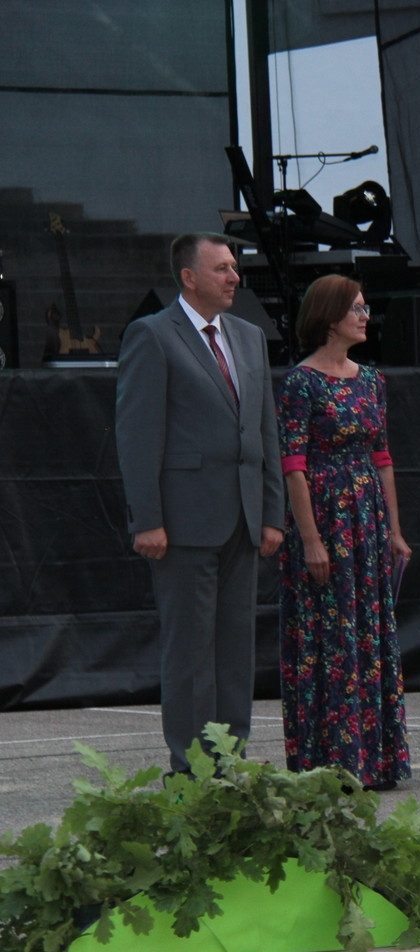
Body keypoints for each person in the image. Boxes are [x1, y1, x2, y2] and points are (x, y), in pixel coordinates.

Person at [115, 232, 284, 775]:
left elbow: (265, 432)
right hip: (184, 522)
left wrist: (272, 513)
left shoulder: (249, 336)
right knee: (190, 653)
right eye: (222, 269)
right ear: (189, 277)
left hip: (242, 517)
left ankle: (228, 759)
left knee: (235, 650)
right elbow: (138, 435)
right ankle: (191, 767)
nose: (235, 277)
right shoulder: (153, 336)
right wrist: (149, 520)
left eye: (235, 267)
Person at [277, 274, 412, 791]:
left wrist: (395, 531)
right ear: (330, 317)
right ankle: (328, 761)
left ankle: (375, 760)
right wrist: (310, 539)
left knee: (370, 632)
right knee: (329, 638)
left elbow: (383, 458)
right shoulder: (301, 383)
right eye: (356, 307)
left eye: (365, 305)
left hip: (367, 517)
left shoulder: (371, 379)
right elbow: (293, 465)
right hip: (325, 515)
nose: (365, 315)